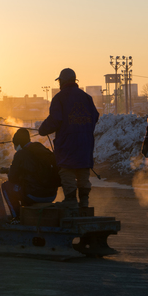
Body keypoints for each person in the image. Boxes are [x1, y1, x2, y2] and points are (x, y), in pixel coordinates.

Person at [39, 68, 99, 209]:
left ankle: (71, 200)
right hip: (85, 144)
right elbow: (95, 116)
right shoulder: (86, 97)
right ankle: (84, 202)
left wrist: (43, 129)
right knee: (83, 171)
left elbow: (55, 119)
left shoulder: (59, 98)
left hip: (67, 144)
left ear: (62, 81)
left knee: (67, 171)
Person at [1, 128, 60, 220]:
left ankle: (17, 218)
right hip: (51, 195)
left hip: (34, 195)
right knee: (27, 186)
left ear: (18, 144)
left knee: (6, 186)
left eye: (15, 145)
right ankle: (28, 215)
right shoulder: (42, 149)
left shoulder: (20, 154)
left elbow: (12, 178)